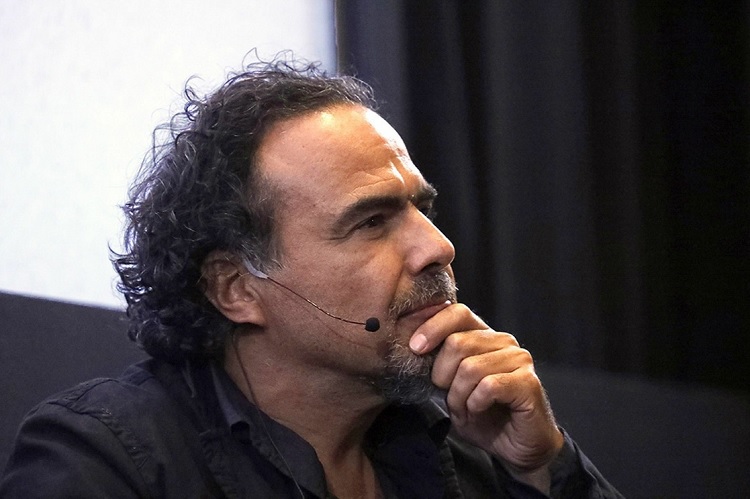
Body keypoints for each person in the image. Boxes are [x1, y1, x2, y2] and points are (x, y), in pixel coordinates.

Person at [0, 57, 622, 498]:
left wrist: (542, 468)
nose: (438, 247)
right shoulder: (109, 460)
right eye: (371, 222)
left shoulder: (471, 452)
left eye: (422, 210)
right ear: (236, 288)